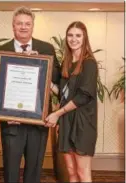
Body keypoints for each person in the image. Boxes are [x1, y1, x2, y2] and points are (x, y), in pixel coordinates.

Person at [0, 6, 61, 183]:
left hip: (39, 121)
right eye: (19, 23)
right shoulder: (0, 51)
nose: (23, 27)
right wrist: (3, 114)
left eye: (27, 24)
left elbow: (57, 80)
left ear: (32, 26)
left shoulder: (46, 49)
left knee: (34, 170)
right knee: (11, 170)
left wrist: (38, 64)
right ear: (13, 26)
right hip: (12, 122)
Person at [45, 21, 98, 182]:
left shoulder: (89, 63)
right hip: (67, 121)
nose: (73, 39)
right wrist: (44, 80)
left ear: (84, 38)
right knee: (70, 171)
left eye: (78, 35)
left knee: (83, 172)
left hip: (82, 123)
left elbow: (83, 96)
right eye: (70, 35)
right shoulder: (67, 63)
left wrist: (57, 114)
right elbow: (63, 94)